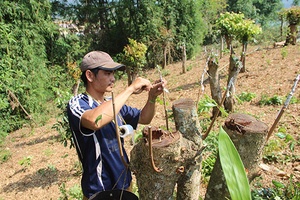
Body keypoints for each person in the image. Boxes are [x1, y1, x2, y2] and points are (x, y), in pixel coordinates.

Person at [67, 51, 166, 199]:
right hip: (99, 189)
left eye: (113, 74)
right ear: (89, 75)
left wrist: (151, 98)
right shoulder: (77, 103)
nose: (112, 78)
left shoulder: (112, 104)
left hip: (124, 183)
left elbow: (144, 118)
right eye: (107, 73)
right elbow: (95, 120)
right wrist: (130, 89)